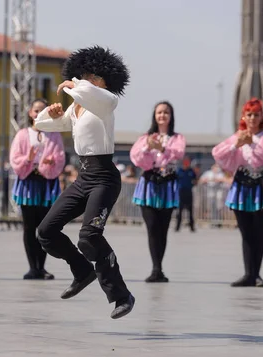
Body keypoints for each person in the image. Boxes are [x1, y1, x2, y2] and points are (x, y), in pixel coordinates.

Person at [35, 46, 135, 319]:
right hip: (84, 177)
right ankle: (82, 270)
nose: (88, 80)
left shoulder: (107, 102)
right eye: (84, 75)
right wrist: (51, 114)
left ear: (105, 81)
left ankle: (121, 295)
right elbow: (42, 124)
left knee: (89, 237)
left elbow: (91, 95)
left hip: (104, 177)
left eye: (94, 76)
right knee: (45, 232)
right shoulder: (76, 109)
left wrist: (76, 84)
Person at [212, 98, 263, 287]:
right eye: (249, 114)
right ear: (244, 116)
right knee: (246, 233)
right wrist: (236, 144)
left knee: (258, 231)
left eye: (256, 114)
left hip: (259, 186)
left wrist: (251, 144)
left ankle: (256, 273)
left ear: (261, 117)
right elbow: (218, 153)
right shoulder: (237, 136)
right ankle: (248, 273)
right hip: (241, 185)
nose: (253, 118)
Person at [130, 101, 186, 282]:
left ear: (171, 116)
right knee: (152, 228)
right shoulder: (145, 138)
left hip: (168, 184)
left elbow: (178, 153)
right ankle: (155, 268)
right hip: (149, 184)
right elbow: (137, 158)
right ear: (155, 115)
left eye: (166, 112)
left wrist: (161, 148)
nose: (162, 115)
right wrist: (148, 146)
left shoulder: (177, 138)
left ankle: (159, 268)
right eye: (159, 112)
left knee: (163, 228)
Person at [10, 98, 65, 280]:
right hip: (28, 183)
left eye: (42, 110)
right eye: (36, 110)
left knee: (45, 227)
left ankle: (41, 267)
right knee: (29, 227)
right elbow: (15, 158)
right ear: (30, 113)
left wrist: (51, 162)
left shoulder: (54, 135)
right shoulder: (23, 134)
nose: (38, 113)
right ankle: (32, 267)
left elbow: (60, 157)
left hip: (46, 183)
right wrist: (28, 158)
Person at [176, 156, 197, 232]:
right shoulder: (179, 171)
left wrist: (193, 184)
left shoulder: (191, 171)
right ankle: (177, 227)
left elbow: (195, 179)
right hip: (181, 192)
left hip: (189, 192)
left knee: (190, 211)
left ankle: (192, 227)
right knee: (180, 211)